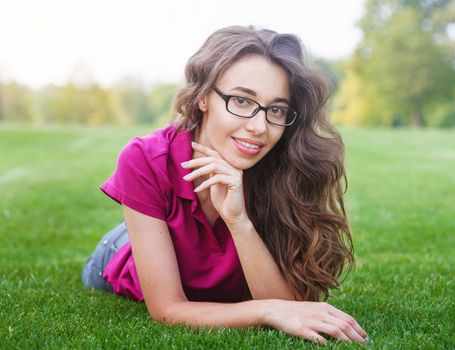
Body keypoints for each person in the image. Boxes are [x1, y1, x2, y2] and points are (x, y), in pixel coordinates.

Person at [81, 25, 368, 345]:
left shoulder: (286, 167)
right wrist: (264, 311)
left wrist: (238, 220)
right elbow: (167, 309)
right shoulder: (145, 158)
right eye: (242, 101)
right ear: (203, 96)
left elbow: (293, 308)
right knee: (124, 245)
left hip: (206, 246)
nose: (259, 127)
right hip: (119, 251)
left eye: (276, 109)